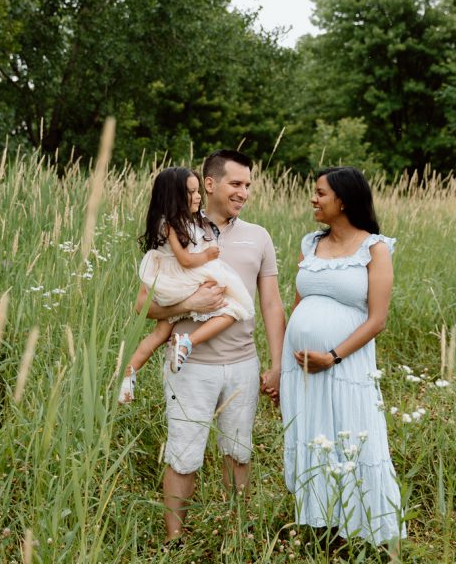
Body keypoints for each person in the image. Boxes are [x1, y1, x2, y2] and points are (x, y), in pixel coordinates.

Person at [133, 150, 285, 542]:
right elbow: (144, 305)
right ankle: (175, 540)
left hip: (243, 366)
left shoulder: (259, 237)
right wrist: (189, 304)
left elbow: (271, 303)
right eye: (236, 184)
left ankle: (237, 534)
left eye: (248, 185)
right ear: (211, 184)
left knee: (239, 452)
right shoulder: (179, 231)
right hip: (191, 368)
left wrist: (277, 364)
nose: (244, 193)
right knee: (184, 455)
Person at [280, 166, 404, 546]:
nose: (313, 200)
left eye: (320, 193)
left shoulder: (374, 248)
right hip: (301, 367)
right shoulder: (309, 244)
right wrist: (283, 367)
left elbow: (377, 320)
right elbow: (299, 303)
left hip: (344, 366)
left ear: (344, 200)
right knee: (312, 436)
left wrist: (332, 356)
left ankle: (363, 531)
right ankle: (320, 528)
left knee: (351, 437)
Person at [119, 167, 255, 403]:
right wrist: (208, 255)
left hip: (169, 283)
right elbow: (185, 260)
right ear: (174, 197)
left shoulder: (176, 222)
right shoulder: (172, 224)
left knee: (160, 333)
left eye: (197, 190)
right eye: (191, 192)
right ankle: (187, 342)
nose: (198, 196)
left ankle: (127, 376)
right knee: (236, 306)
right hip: (184, 277)